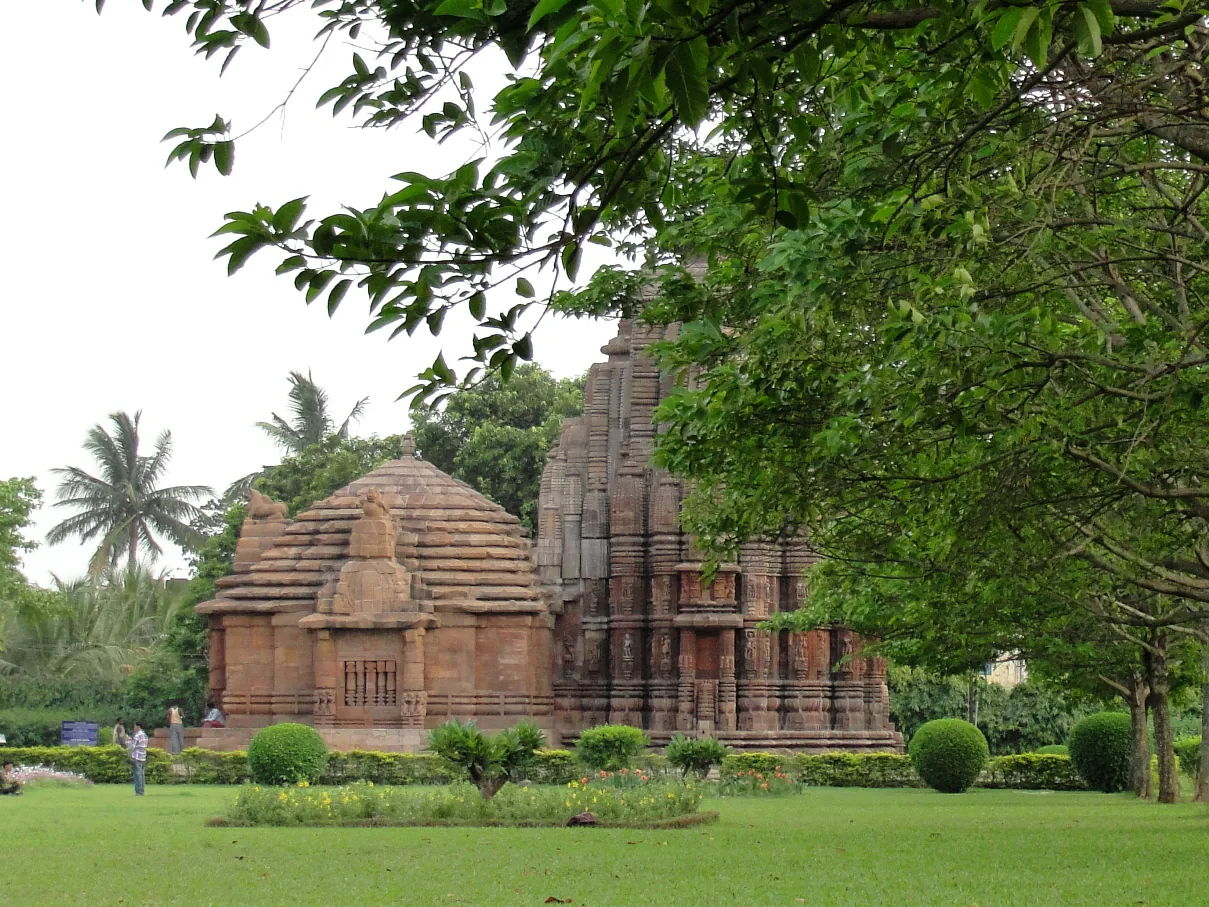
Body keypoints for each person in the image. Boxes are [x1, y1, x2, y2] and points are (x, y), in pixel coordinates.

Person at [129, 721, 148, 796]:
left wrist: (128, 742)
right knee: (141, 775)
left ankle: (139, 792)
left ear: (138, 727)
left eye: (134, 726)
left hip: (136, 756)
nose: (134, 728)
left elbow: (132, 746)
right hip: (143, 756)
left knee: (137, 775)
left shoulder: (137, 735)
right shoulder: (145, 735)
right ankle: (142, 791)